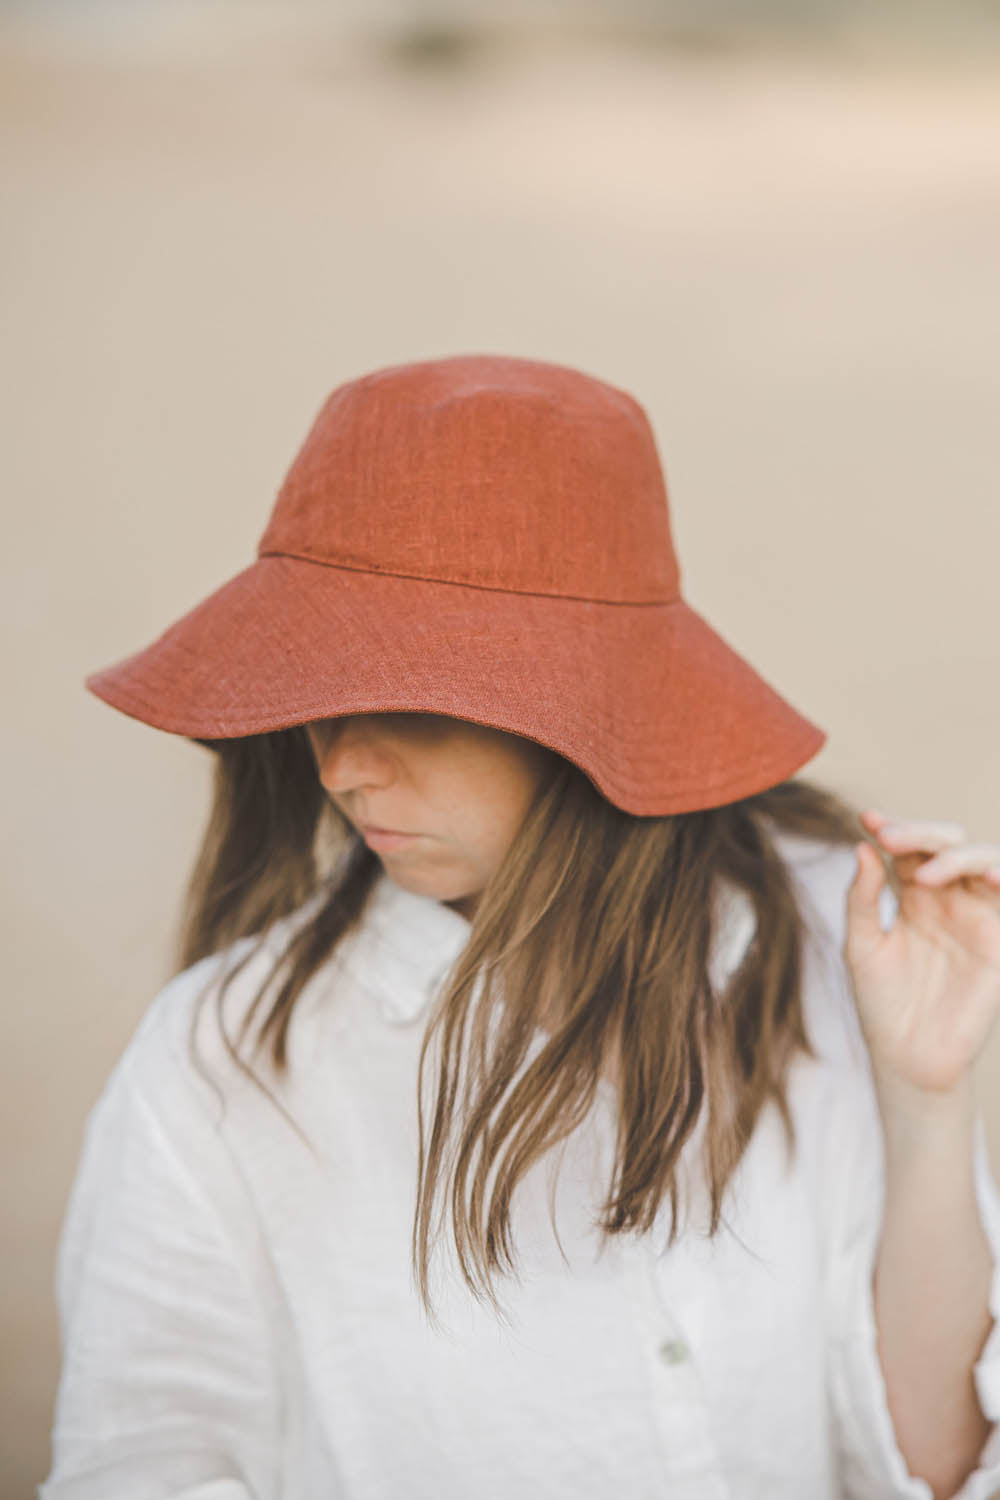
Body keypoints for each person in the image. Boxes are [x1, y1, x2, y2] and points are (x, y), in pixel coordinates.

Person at [41, 354, 1000, 1499]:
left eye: (406, 697)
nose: (341, 766)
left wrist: (928, 1103)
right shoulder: (225, 1060)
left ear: (587, 705)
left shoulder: (826, 934)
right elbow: (144, 1466)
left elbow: (935, 1469)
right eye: (311, 694)